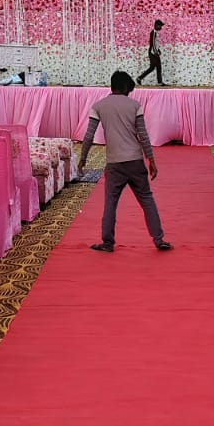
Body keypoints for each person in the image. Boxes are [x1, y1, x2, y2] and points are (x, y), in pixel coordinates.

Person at [79, 70, 170, 252]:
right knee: (147, 199)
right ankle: (159, 239)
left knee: (110, 203)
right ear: (126, 87)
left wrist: (83, 158)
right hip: (135, 161)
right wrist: (151, 159)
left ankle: (107, 243)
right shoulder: (135, 105)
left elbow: (89, 136)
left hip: (114, 164)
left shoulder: (98, 106)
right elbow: (143, 135)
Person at [135, 19, 165, 86]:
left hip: (154, 52)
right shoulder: (153, 32)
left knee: (155, 67)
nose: (161, 27)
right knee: (155, 67)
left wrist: (158, 50)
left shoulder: (156, 33)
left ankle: (140, 78)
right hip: (152, 53)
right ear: (156, 25)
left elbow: (156, 44)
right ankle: (140, 78)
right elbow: (153, 43)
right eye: (160, 25)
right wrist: (155, 52)